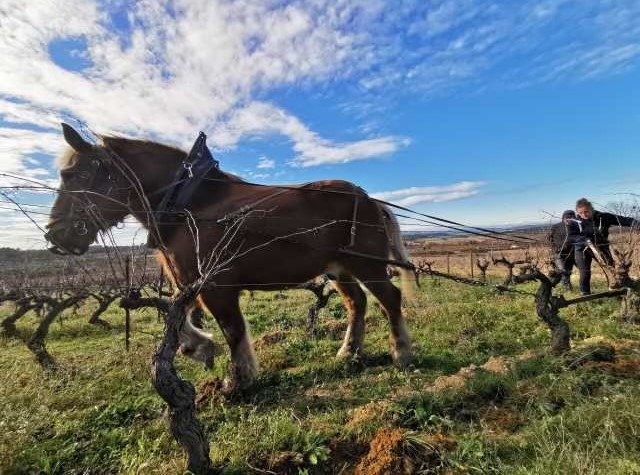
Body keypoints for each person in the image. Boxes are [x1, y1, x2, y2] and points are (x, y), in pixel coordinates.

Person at [571, 198, 638, 295]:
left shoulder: (603, 217)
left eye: (586, 212)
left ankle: (613, 290)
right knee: (585, 271)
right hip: (582, 249)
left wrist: (636, 224)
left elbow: (622, 220)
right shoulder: (575, 221)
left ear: (591, 209)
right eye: (580, 213)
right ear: (577, 212)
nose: (584, 215)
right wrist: (582, 239)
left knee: (610, 268)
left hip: (601, 246)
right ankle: (585, 294)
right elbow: (571, 236)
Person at [548, 210, 578, 290]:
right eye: (567, 218)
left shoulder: (576, 227)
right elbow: (549, 238)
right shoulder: (555, 227)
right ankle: (567, 289)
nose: (569, 220)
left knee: (568, 271)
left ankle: (557, 285)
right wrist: (555, 248)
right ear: (563, 218)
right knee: (563, 271)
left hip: (571, 253)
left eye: (571, 218)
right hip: (558, 254)